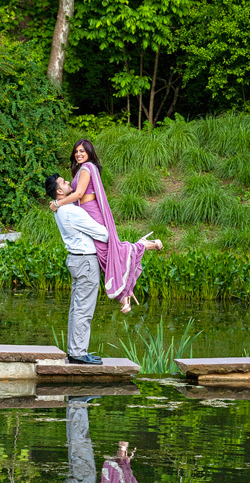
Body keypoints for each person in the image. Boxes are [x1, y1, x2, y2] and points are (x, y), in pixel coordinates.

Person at [49, 140, 163, 314]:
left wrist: (58, 203)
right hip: (85, 213)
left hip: (92, 212)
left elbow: (79, 194)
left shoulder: (87, 168)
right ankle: (125, 292)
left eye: (82, 151)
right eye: (76, 151)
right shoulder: (80, 171)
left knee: (107, 253)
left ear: (89, 153)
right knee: (105, 255)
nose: (78, 154)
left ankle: (142, 251)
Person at [45, 174, 109, 366]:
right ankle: (79, 353)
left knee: (77, 307)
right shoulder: (71, 211)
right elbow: (104, 234)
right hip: (85, 261)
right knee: (84, 309)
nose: (69, 183)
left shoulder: (61, 209)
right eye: (64, 182)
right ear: (59, 191)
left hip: (76, 260)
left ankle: (75, 351)